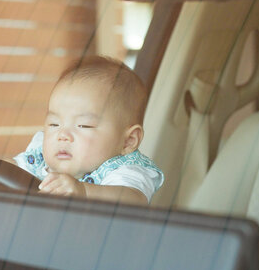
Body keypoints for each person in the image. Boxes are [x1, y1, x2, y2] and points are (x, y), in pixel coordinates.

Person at [14, 56, 163, 204]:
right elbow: (6, 171)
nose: (62, 135)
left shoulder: (124, 170)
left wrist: (84, 191)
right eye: (54, 124)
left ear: (128, 141)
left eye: (84, 125)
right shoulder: (38, 159)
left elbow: (134, 200)